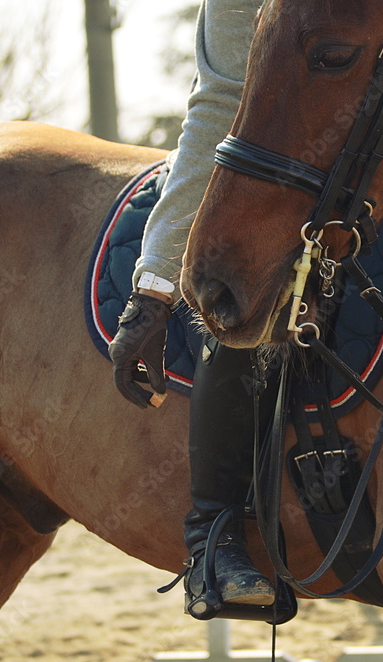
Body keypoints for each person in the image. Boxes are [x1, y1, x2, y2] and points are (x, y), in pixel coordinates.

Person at [107, 0, 274, 620]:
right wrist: (155, 284)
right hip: (303, 160)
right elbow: (224, 104)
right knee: (247, 286)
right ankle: (215, 535)